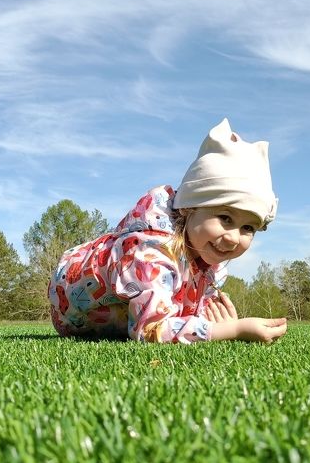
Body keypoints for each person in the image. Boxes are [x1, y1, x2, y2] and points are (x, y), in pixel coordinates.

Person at [49, 118, 288, 344]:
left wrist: (216, 320)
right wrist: (233, 330)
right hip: (74, 317)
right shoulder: (150, 251)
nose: (234, 237)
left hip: (121, 316)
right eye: (225, 218)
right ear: (188, 208)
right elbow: (151, 330)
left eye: (248, 227)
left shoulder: (206, 256)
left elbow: (188, 309)